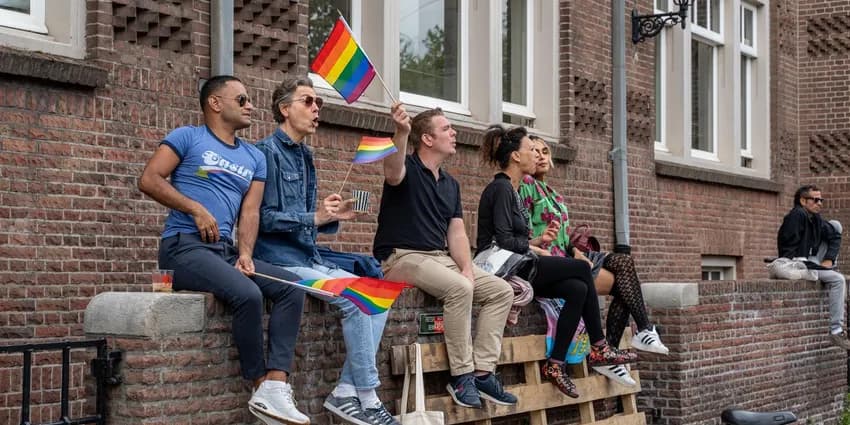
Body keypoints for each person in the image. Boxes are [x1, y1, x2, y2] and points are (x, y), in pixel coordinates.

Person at [138, 75, 309, 425]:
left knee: (292, 288)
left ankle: (276, 384)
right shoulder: (188, 137)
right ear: (215, 103)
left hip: (224, 251)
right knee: (247, 294)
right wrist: (195, 209)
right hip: (183, 247)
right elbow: (149, 179)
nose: (251, 106)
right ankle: (258, 385)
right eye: (242, 99)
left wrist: (245, 253)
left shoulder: (254, 156)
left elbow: (250, 212)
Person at [254, 76, 399, 425]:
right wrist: (314, 216)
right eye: (307, 101)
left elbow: (307, 221)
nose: (316, 108)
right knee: (354, 299)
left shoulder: (306, 155)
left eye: (318, 102)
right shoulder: (265, 153)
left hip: (309, 256)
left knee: (378, 296)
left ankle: (346, 391)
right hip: (277, 259)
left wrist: (332, 216)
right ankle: (368, 396)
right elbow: (263, 219)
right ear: (284, 109)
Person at [476, 124, 636, 398]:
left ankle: (556, 364)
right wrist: (533, 248)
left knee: (577, 289)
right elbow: (502, 240)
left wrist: (539, 241)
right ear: (516, 156)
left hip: (520, 262)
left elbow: (513, 237)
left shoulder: (512, 189)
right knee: (581, 268)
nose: (536, 155)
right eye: (531, 149)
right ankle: (599, 346)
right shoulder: (500, 188)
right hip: (506, 268)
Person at [373, 108, 517, 409]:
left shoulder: (451, 184)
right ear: (427, 138)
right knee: (459, 288)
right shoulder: (407, 167)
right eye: (447, 128)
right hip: (402, 257)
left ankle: (482, 373)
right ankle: (461, 376)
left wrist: (467, 268)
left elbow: (457, 233)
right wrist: (401, 132)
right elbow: (392, 171)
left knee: (501, 291)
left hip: (440, 258)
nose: (454, 133)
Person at [518, 136, 669, 386]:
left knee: (624, 266)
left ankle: (618, 345)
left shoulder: (554, 194)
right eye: (535, 150)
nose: (541, 156)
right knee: (622, 281)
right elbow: (523, 232)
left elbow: (563, 236)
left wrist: (576, 251)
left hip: (567, 254)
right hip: (549, 261)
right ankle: (628, 339)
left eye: (545, 151)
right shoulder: (526, 185)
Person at [777, 184, 848, 349]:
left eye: (821, 200)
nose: (820, 203)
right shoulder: (796, 216)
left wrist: (829, 259)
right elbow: (787, 247)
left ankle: (829, 267)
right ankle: (836, 331)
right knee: (838, 280)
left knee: (835, 226)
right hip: (797, 262)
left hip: (812, 260)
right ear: (803, 201)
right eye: (815, 200)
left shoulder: (815, 218)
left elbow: (835, 236)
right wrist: (803, 263)